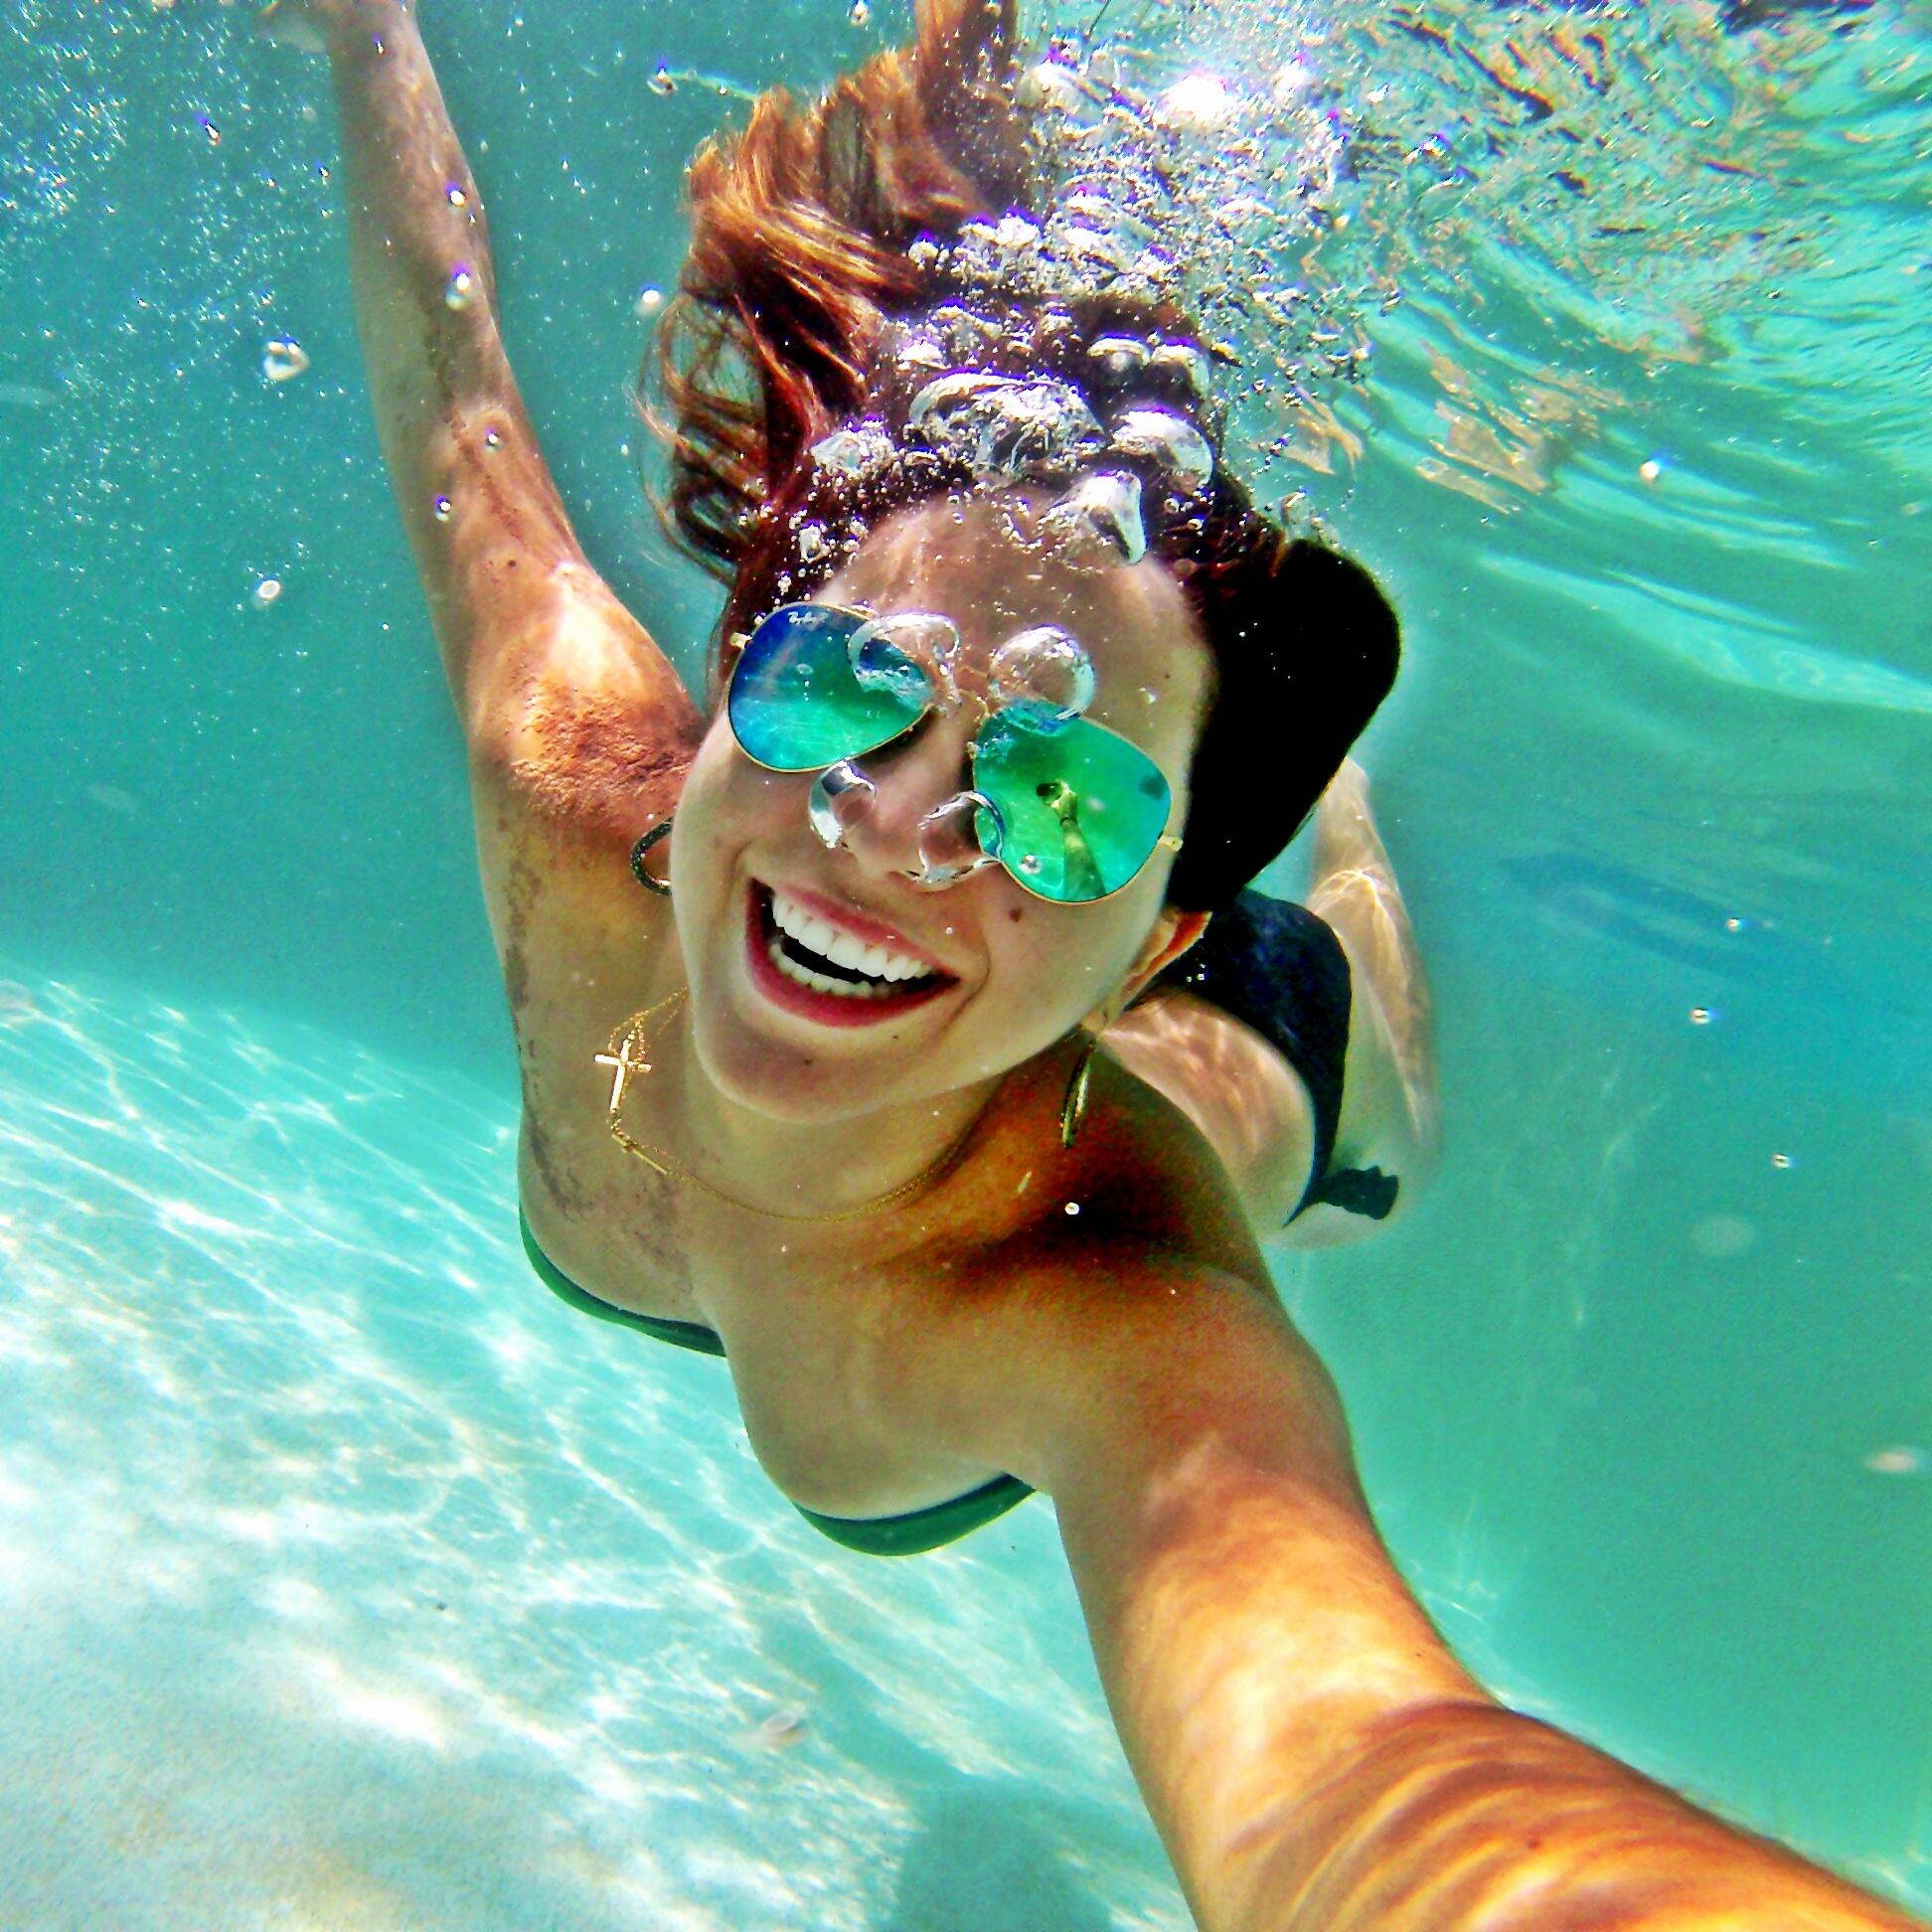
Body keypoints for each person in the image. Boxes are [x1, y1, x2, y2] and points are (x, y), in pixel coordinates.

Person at [260, 1, 1920, 1926]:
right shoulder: (567, 796)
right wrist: (359, 26)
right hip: (1043, 995)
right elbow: (454, 395)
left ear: (1159, 931)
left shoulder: (1122, 1304)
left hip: (1242, 1060)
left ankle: (1346, 860)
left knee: (1376, 1097)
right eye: (847, 686)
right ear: (731, 680)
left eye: (1058, 799)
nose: (892, 825)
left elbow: (1361, 1755)